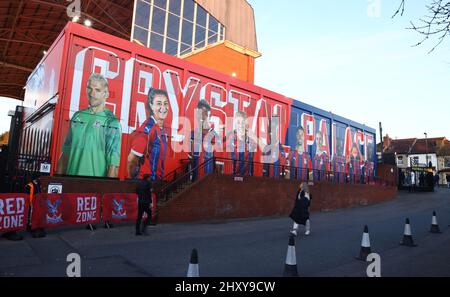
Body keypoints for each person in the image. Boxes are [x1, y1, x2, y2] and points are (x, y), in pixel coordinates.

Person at [57, 73, 121, 177]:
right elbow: (65, 153)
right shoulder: (77, 116)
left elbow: (113, 166)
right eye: (89, 88)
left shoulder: (111, 122)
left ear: (106, 94)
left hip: (93, 188)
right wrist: (58, 181)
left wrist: (104, 192)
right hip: (70, 184)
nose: (92, 93)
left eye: (97, 90)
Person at [128, 88, 170, 181]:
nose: (163, 107)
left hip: (157, 183)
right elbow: (131, 160)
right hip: (146, 184)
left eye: (165, 103)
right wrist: (137, 182)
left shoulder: (163, 128)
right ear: (151, 105)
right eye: (159, 103)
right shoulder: (147, 129)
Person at [189, 100, 221, 181]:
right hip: (195, 176)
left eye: (205, 114)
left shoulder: (214, 135)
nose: (202, 117)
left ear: (209, 116)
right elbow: (190, 155)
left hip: (207, 178)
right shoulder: (193, 133)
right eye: (200, 114)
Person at [227, 111, 256, 176]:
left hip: (246, 180)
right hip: (231, 179)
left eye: (243, 122)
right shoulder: (229, 138)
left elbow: (251, 163)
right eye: (238, 122)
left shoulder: (250, 141)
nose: (240, 125)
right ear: (235, 123)